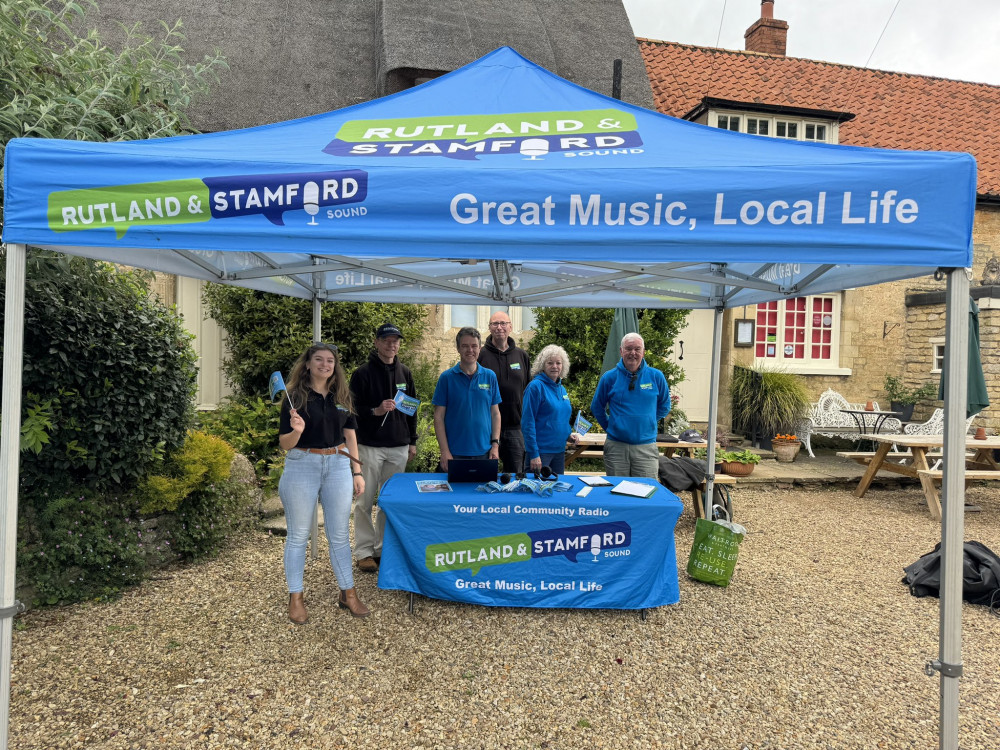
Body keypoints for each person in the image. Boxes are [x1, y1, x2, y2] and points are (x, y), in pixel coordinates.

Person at [278, 342, 369, 623]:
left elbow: (350, 434)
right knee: (298, 535)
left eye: (330, 361)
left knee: (340, 534)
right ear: (307, 364)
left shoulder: (342, 395)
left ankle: (348, 593)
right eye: (319, 359)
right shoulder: (294, 398)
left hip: (338, 465)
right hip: (302, 464)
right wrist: (296, 431)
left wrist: (357, 471)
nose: (325, 365)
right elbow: (284, 444)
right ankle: (296, 596)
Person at [349, 322, 417, 574]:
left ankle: (383, 548)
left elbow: (412, 410)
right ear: (377, 342)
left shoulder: (405, 373)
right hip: (369, 446)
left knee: (389, 501)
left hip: (398, 447)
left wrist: (412, 440)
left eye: (396, 340)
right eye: (387, 340)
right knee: (364, 501)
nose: (392, 345)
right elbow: (351, 411)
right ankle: (365, 551)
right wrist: (375, 411)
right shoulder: (362, 374)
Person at [590, 332, 672, 479]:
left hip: (646, 447)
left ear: (643, 352)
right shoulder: (609, 378)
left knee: (646, 495)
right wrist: (611, 426)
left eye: (637, 349)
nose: (632, 353)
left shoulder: (656, 376)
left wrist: (648, 421)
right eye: (628, 348)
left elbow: (665, 405)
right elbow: (597, 407)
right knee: (617, 496)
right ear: (621, 351)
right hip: (616, 448)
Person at [433, 327, 501, 471]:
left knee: (480, 493)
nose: (470, 350)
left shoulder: (490, 376)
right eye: (465, 346)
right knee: (454, 493)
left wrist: (495, 445)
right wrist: (444, 451)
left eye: (474, 346)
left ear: (480, 348)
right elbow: (438, 417)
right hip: (454, 453)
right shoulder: (446, 378)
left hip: (484, 453)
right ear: (458, 348)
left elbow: (495, 414)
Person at [477, 310, 531, 474]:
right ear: (489, 328)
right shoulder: (480, 355)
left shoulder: (521, 356)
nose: (499, 327)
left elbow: (528, 390)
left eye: (503, 323)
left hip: (515, 427)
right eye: (495, 323)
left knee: (516, 476)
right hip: (486, 427)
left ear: (510, 327)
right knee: (484, 475)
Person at [521, 344, 580, 475]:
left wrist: (568, 435)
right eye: (550, 363)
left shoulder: (561, 388)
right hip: (540, 454)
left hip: (559, 451)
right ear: (542, 365)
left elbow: (560, 417)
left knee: (556, 491)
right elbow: (527, 422)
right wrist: (534, 453)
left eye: (558, 363)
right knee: (535, 492)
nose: (555, 366)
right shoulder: (535, 387)